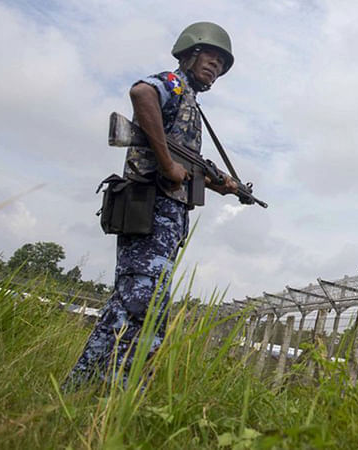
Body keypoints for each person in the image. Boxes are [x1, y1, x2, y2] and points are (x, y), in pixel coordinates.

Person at [64, 22, 238, 390]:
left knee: (124, 307)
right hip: (150, 212)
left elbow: (188, 166)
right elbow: (142, 93)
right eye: (211, 56)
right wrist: (167, 163)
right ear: (191, 52)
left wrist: (224, 185)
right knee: (146, 309)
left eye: (221, 64)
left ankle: (78, 389)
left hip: (163, 221)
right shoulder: (173, 85)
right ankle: (118, 398)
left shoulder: (190, 103)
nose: (215, 66)